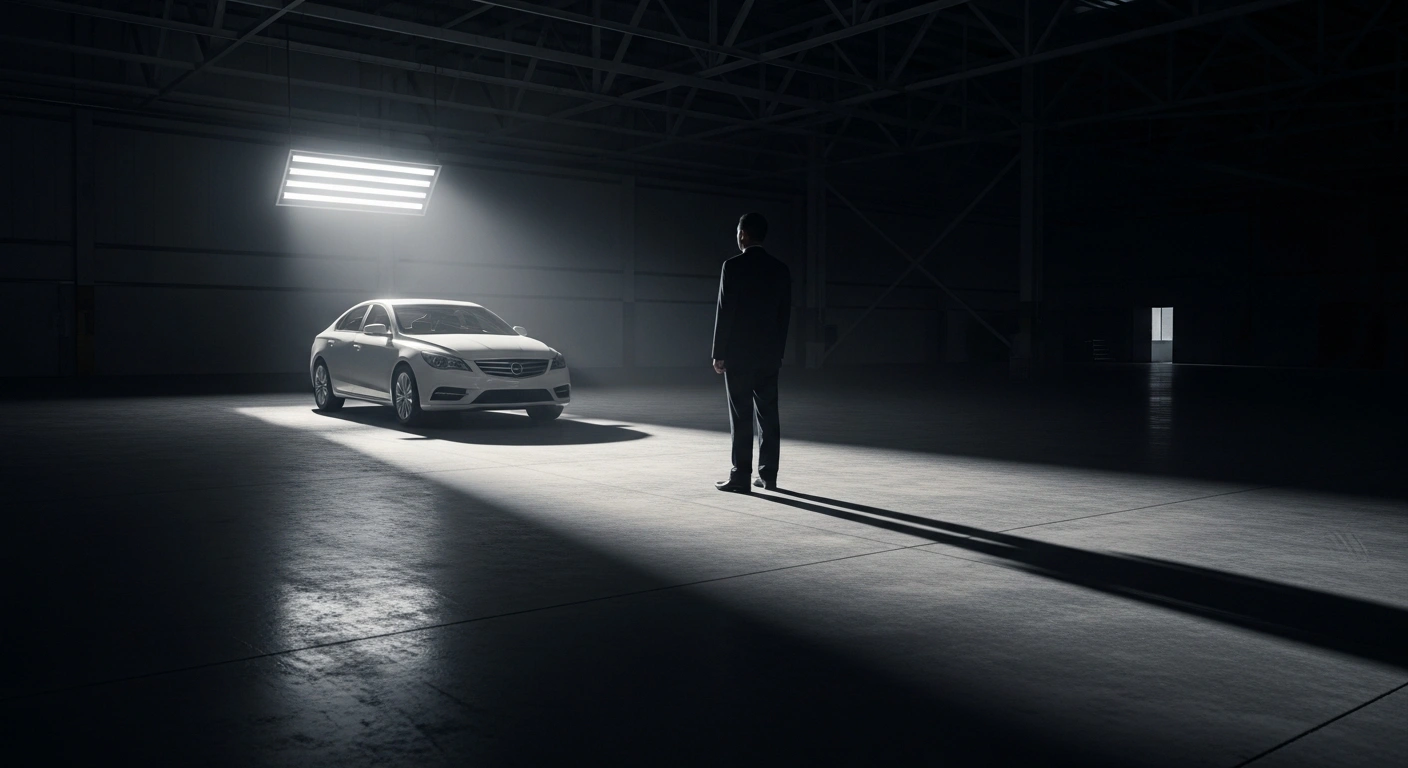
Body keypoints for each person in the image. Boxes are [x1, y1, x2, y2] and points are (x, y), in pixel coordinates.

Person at [712, 212, 792, 493]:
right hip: (769, 356)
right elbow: (784, 317)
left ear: (743, 234)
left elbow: (725, 312)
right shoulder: (781, 269)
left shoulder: (732, 267)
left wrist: (718, 352)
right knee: (769, 415)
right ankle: (769, 475)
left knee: (741, 415)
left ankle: (741, 477)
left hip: (738, 356)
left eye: (738, 231)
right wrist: (778, 353)